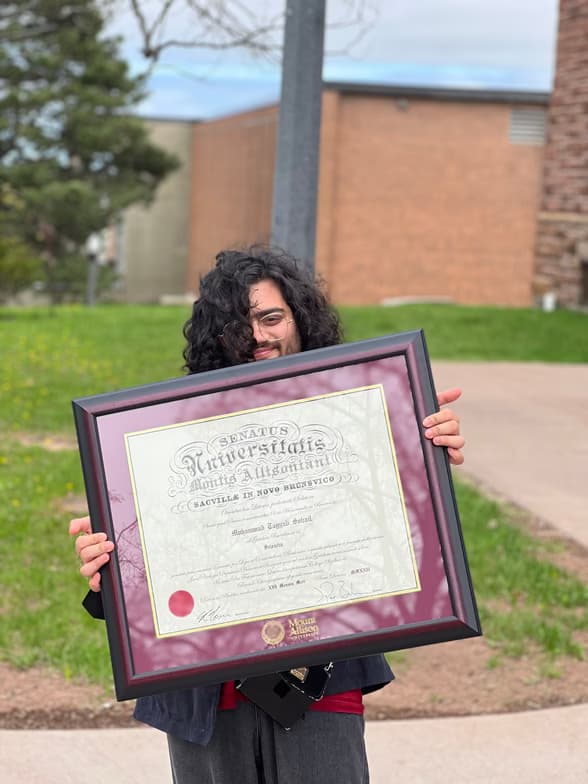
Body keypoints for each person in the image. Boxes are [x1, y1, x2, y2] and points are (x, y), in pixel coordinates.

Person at [70, 246, 465, 784]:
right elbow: (136, 587)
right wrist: (107, 571)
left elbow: (407, 536)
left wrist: (422, 447)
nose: (258, 336)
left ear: (300, 318)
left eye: (271, 317)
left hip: (320, 684)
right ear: (215, 334)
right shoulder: (164, 437)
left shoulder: (358, 413)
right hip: (208, 698)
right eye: (238, 323)